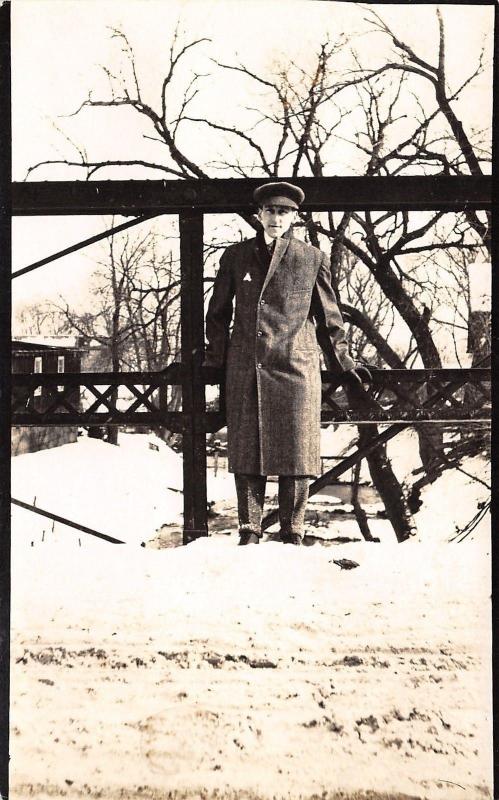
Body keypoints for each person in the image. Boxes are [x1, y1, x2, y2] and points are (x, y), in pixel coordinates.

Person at [204, 181, 369, 546]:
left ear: (295, 217)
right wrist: (216, 362)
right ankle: (249, 531)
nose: (276, 218)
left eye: (284, 212)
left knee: (296, 451)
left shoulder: (311, 259)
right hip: (247, 367)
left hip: (296, 366)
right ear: (258, 215)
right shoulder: (235, 256)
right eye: (270, 211)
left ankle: (293, 531)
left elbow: (329, 321)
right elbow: (216, 315)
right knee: (247, 448)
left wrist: (344, 362)